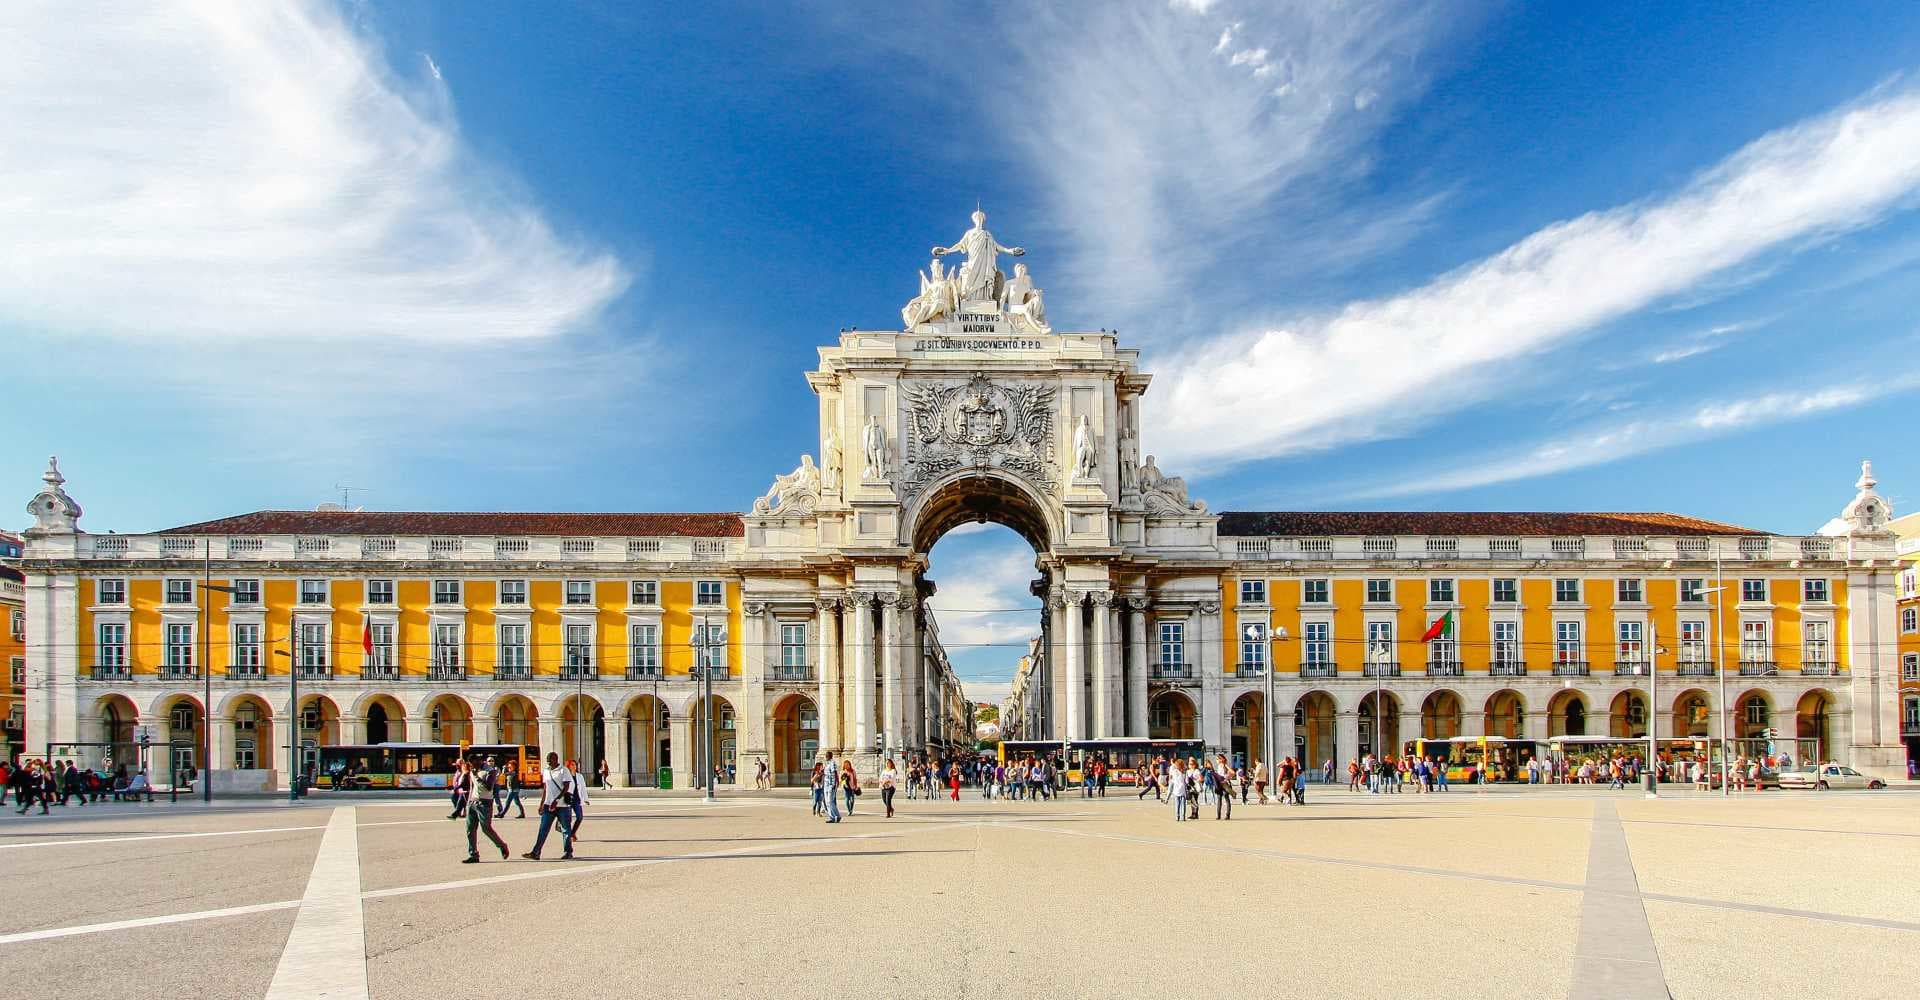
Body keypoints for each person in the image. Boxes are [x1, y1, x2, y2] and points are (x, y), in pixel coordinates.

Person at [521, 753, 577, 861]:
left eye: (550, 759)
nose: (548, 761)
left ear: (556, 759)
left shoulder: (563, 770)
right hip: (548, 805)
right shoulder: (546, 771)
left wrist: (556, 800)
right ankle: (536, 852)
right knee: (543, 829)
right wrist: (541, 804)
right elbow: (545, 788)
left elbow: (566, 787)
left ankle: (568, 852)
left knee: (566, 829)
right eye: (547, 760)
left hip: (562, 806)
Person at [462, 755, 511, 864]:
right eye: (471, 764)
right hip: (472, 802)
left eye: (474, 764)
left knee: (486, 828)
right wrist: (468, 802)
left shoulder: (490, 771)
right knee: (470, 830)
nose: (473, 766)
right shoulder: (473, 770)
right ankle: (473, 854)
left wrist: (477, 777)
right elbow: (472, 787)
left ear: (479, 761)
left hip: (485, 803)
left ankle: (502, 846)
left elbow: (489, 787)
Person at [567, 758, 591, 836]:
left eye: (575, 765)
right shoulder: (566, 776)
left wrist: (586, 799)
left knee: (580, 817)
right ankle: (568, 835)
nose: (574, 766)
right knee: (568, 819)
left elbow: (583, 788)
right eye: (572, 765)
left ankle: (572, 833)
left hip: (577, 799)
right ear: (569, 766)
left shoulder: (580, 776)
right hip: (568, 800)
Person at [823, 751, 843, 823]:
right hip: (826, 784)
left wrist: (837, 782)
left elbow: (835, 773)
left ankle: (834, 817)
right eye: (826, 755)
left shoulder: (832, 763)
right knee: (827, 802)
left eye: (827, 755)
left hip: (831, 784)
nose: (826, 756)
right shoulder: (826, 764)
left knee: (830, 801)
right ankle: (836, 816)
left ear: (831, 756)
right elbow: (824, 774)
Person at [1168, 758, 1189, 822]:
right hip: (1183, 789)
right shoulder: (1185, 772)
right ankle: (1183, 816)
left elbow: (1173, 780)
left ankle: (1177, 816)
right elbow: (1187, 781)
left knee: (1177, 804)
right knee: (1183, 804)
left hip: (1176, 789)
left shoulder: (1174, 771)